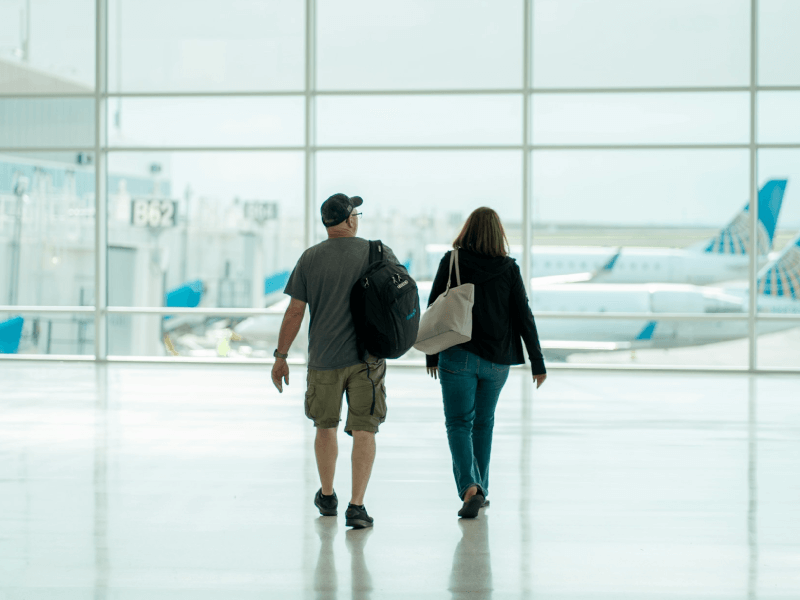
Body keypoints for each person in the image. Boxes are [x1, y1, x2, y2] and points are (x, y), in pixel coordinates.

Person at [271, 192, 401, 529]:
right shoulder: (377, 251)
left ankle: (328, 496)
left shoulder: (310, 258)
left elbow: (295, 311)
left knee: (324, 426)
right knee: (364, 429)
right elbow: (401, 292)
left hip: (323, 359)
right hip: (367, 359)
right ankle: (356, 506)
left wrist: (281, 356)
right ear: (350, 219)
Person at [426, 207, 547, 518]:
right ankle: (480, 487)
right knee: (483, 423)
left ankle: (470, 488)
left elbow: (434, 309)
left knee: (458, 423)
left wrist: (431, 354)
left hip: (457, 354)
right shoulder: (508, 269)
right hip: (497, 361)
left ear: (467, 230)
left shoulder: (452, 260)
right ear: (498, 234)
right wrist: (537, 361)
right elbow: (524, 315)